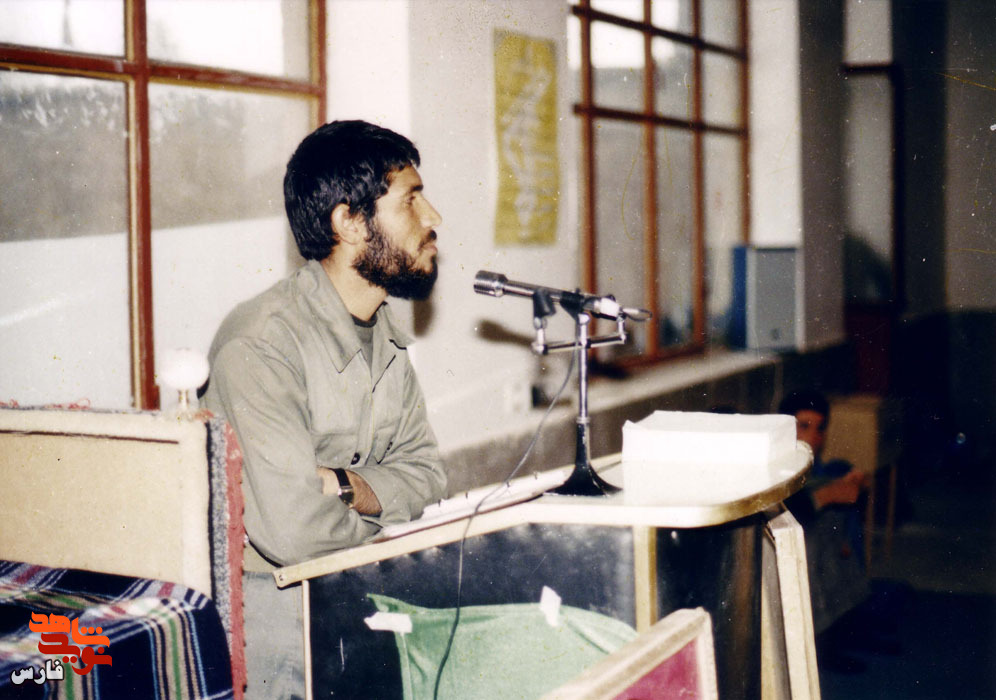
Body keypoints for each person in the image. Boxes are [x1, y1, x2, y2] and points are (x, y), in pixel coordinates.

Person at [202, 120, 449, 699]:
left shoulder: (385, 335)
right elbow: (293, 532)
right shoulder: (261, 343)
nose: (433, 216)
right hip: (272, 624)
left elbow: (430, 477)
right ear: (350, 223)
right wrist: (390, 522)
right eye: (411, 199)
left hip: (354, 594)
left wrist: (344, 485)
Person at [780, 389, 902, 673]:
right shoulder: (776, 459)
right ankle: (822, 643)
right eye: (804, 426)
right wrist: (826, 496)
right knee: (815, 544)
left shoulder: (808, 462)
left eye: (820, 428)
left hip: (811, 531)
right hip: (785, 543)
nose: (814, 436)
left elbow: (814, 490)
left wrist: (846, 485)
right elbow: (781, 510)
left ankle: (849, 624)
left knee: (836, 531)